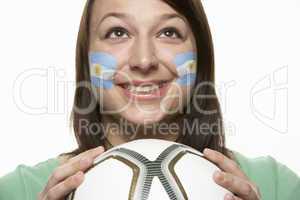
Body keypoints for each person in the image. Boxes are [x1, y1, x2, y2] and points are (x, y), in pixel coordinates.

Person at [0, 0, 299, 199]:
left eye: (169, 32)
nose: (143, 60)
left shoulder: (276, 187)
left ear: (201, 54)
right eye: (117, 32)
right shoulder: (20, 192)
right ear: (86, 56)